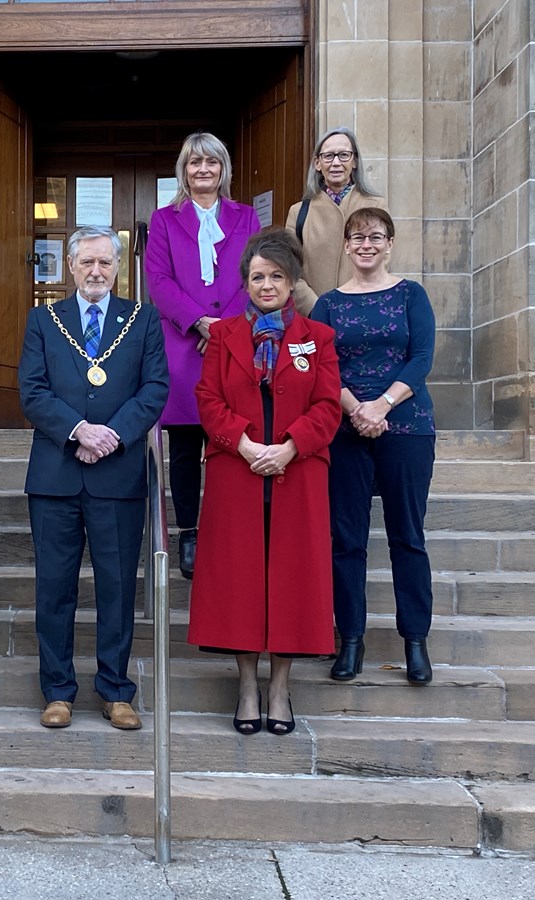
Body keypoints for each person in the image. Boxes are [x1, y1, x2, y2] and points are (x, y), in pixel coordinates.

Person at [187, 228, 341, 735]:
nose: (267, 284)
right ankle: (247, 684)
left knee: (293, 581)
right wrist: (248, 446)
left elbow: (326, 405)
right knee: (240, 582)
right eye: (258, 276)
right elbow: (209, 402)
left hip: (298, 475)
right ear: (245, 282)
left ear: (293, 280)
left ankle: (280, 686)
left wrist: (291, 447)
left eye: (277, 276)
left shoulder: (317, 339)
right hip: (239, 472)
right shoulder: (224, 336)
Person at [18, 225, 170, 731]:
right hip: (56, 477)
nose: (97, 271)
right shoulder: (44, 320)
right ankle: (58, 691)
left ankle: (116, 690)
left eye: (105, 263)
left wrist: (113, 436)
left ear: (117, 267)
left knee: (118, 588)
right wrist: (79, 431)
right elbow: (32, 392)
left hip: (119, 475)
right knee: (54, 589)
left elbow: (155, 389)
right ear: (70, 266)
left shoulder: (142, 320)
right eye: (87, 263)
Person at [310, 208, 437, 685]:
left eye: (375, 236)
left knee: (408, 536)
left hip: (407, 426)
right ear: (345, 246)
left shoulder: (411, 295)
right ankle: (351, 641)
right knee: (346, 540)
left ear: (389, 244)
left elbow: (421, 358)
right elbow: (322, 367)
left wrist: (381, 405)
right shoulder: (328, 304)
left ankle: (416, 643)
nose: (366, 244)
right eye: (357, 237)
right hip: (345, 431)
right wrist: (355, 410)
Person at [145, 132, 260, 579]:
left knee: (230, 441)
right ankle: (189, 532)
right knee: (188, 444)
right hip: (183, 343)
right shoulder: (164, 219)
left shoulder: (246, 216)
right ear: (184, 170)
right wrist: (198, 322)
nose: (203, 170)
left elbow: (256, 273)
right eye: (194, 163)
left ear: (223, 168)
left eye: (211, 162)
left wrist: (226, 328)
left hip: (234, 343)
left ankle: (228, 529)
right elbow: (158, 279)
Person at [284, 127, 387, 314]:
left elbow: (384, 258)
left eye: (344, 155)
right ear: (317, 163)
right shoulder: (298, 212)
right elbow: (289, 267)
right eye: (329, 156)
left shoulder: (376, 206)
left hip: (363, 313)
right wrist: (318, 310)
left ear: (354, 161)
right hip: (314, 317)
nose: (336, 162)